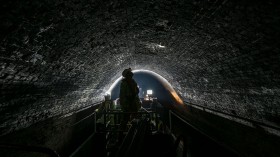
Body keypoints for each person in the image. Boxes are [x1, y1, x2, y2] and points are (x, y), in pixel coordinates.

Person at [118, 68, 141, 142]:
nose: (131, 74)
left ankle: (134, 133)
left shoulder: (133, 81)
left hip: (133, 103)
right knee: (125, 119)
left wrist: (137, 91)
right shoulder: (124, 83)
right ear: (127, 75)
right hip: (127, 104)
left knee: (134, 118)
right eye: (130, 73)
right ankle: (121, 136)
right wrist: (123, 102)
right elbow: (122, 94)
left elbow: (136, 91)